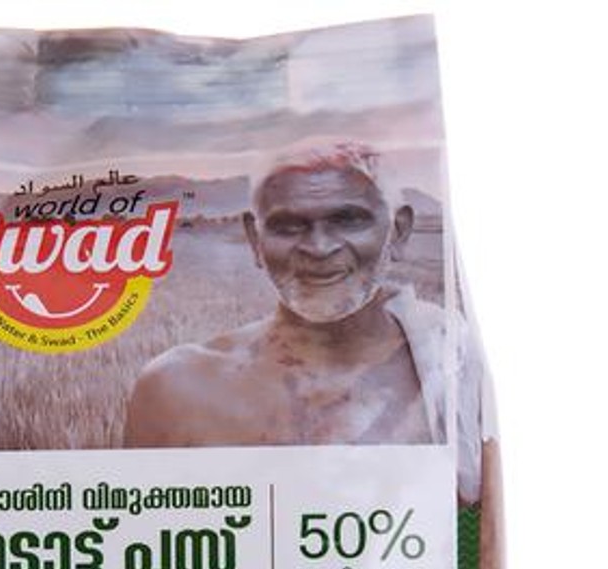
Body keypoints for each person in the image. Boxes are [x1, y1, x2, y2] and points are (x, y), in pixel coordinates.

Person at [123, 141, 484, 500]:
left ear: (398, 231)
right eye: (288, 226)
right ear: (254, 239)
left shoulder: (452, 369)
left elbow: (482, 527)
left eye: (348, 219)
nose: (319, 248)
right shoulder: (176, 388)